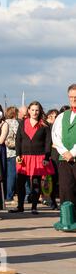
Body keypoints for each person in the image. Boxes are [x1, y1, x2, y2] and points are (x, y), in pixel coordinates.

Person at [10, 101, 54, 215]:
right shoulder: (23, 123)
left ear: (40, 111)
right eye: (33, 110)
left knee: (35, 183)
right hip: (23, 157)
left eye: (37, 110)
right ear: (28, 111)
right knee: (20, 183)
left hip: (38, 157)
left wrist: (47, 157)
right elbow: (18, 140)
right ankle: (20, 206)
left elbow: (48, 142)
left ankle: (34, 207)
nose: (35, 112)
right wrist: (18, 155)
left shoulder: (44, 124)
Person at [52, 84, 76, 217]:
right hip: (64, 159)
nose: (73, 100)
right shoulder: (62, 116)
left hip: (74, 155)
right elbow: (55, 135)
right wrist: (65, 152)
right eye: (71, 97)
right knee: (66, 190)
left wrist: (73, 152)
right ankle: (68, 219)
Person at [5, 106, 20, 203]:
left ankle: (6, 194)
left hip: (4, 151)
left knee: (7, 174)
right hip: (13, 151)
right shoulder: (14, 122)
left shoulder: (4, 122)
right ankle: (9, 196)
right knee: (12, 175)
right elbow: (18, 135)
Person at [47, 109, 60, 209]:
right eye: (51, 116)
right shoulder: (48, 128)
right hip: (53, 155)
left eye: (55, 116)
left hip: (61, 155)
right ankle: (52, 201)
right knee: (52, 179)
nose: (53, 119)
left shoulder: (60, 127)